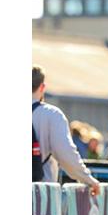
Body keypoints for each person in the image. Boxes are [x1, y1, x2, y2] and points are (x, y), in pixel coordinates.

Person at [32, 66, 100, 195]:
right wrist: (89, 180)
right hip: (40, 197)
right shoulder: (51, 114)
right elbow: (66, 155)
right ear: (42, 87)